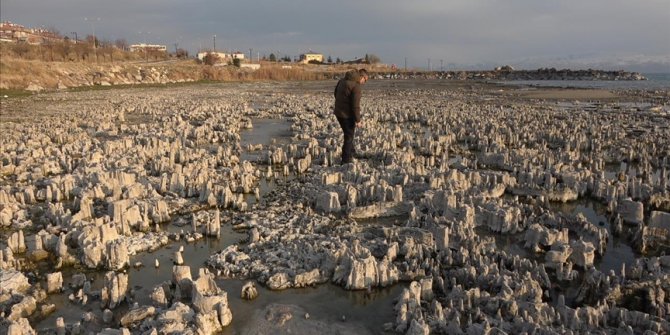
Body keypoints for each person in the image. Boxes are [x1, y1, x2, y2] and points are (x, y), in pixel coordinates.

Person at [333, 69, 368, 164]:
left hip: (338, 112)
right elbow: (355, 106)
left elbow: (335, 94)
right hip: (346, 115)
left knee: (348, 134)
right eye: (365, 80)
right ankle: (345, 160)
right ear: (361, 77)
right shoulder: (356, 87)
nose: (364, 82)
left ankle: (352, 152)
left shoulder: (342, 81)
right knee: (349, 137)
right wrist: (358, 120)